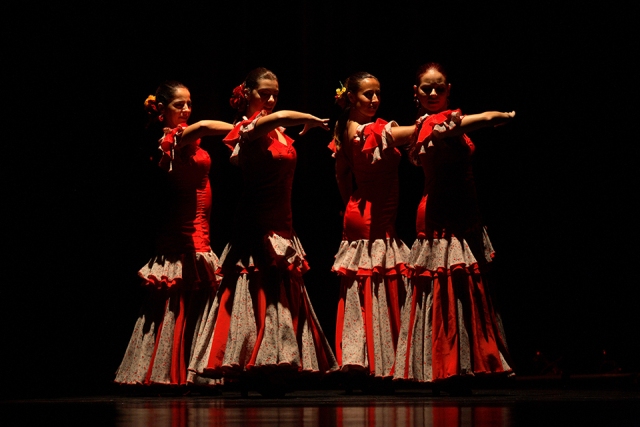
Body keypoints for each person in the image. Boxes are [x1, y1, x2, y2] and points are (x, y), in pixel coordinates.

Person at [188, 68, 338, 394]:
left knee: (278, 293)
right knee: (258, 290)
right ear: (247, 95)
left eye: (275, 94)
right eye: (263, 94)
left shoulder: (278, 130)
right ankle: (253, 364)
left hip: (282, 222)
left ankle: (276, 362)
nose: (270, 100)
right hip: (257, 222)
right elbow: (279, 116)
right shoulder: (249, 128)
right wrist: (310, 118)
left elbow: (280, 120)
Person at [393, 63, 515, 394]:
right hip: (439, 215)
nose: (433, 93)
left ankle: (472, 362)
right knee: (444, 291)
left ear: (449, 89)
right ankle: (444, 365)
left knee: (467, 289)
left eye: (439, 87)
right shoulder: (432, 123)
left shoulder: (443, 121)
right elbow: (484, 119)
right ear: (415, 92)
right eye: (426, 88)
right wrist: (505, 115)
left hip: (466, 213)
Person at [115, 81, 233, 387]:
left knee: (197, 292)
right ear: (161, 110)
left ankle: (194, 367)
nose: (186, 110)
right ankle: (171, 370)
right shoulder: (172, 138)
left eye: (189, 103)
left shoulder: (184, 136)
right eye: (179, 105)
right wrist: (244, 128)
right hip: (183, 227)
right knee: (180, 291)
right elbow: (204, 126)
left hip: (200, 227)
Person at [329, 72, 417, 389]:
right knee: (371, 285)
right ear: (351, 97)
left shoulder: (348, 128)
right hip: (369, 218)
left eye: (378, 93)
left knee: (377, 284)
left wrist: (350, 204)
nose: (375, 99)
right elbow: (402, 136)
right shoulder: (362, 130)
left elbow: (341, 174)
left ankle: (377, 359)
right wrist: (433, 123)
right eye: (368, 94)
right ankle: (370, 362)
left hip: (367, 213)